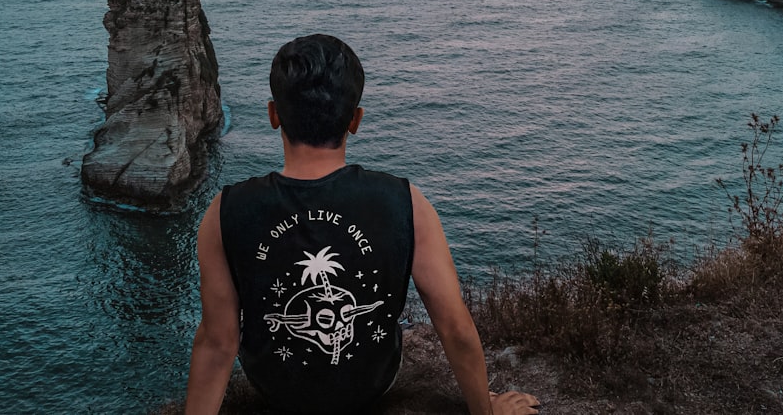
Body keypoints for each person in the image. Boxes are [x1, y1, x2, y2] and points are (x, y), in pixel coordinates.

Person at [185, 34, 539, 415]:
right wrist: (485, 410)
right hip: (375, 387)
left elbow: (218, 342)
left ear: (273, 115)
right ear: (355, 120)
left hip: (274, 391)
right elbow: (453, 325)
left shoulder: (225, 211)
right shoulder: (407, 202)